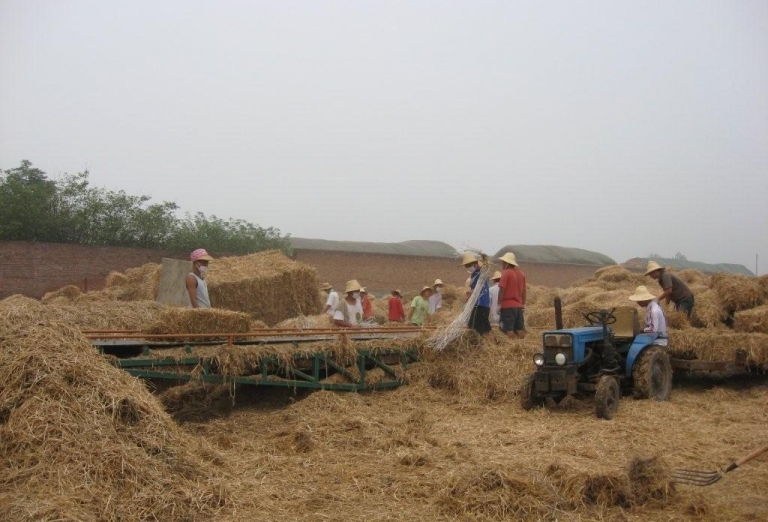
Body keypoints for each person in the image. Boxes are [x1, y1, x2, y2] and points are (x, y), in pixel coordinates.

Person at [497, 252, 527, 339]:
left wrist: (499, 304)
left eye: (503, 262)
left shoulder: (506, 273)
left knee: (508, 329)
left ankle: (513, 348)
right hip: (518, 306)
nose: (502, 264)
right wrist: (523, 304)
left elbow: (502, 289)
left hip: (507, 306)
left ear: (506, 263)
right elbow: (524, 291)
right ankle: (521, 346)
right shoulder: (521, 274)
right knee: (519, 329)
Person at [461, 253, 491, 334]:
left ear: (475, 263)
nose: (468, 267)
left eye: (469, 265)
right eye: (466, 266)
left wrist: (484, 257)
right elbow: (473, 290)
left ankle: (481, 345)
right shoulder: (474, 274)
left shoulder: (482, 273)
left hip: (480, 304)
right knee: (485, 330)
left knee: (474, 329)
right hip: (477, 304)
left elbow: (487, 266)